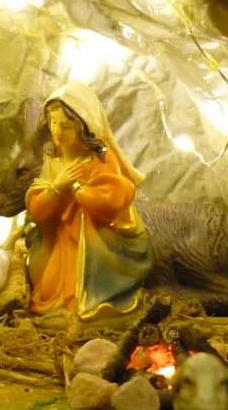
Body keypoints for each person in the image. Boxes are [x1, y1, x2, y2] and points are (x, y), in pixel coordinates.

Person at [25, 80, 153, 321]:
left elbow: (111, 203)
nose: (57, 132)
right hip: (64, 241)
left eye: (66, 126)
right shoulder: (53, 160)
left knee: (81, 296)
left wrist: (77, 188)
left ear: (83, 127)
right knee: (46, 297)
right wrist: (56, 187)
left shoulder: (101, 158)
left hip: (101, 244)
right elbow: (38, 211)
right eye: (53, 122)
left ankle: (95, 307)